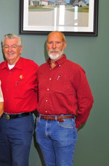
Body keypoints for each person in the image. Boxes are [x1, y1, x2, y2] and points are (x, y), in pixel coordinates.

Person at [36, 31, 94, 166]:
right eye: (50, 42)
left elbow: (87, 100)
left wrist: (75, 123)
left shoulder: (75, 70)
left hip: (64, 126)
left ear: (64, 45)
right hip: (42, 125)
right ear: (47, 46)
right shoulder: (41, 70)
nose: (54, 46)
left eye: (58, 42)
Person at [0, 34, 38, 166]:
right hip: (1, 122)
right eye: (6, 46)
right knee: (2, 161)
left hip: (22, 123)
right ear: (3, 49)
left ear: (20, 49)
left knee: (20, 162)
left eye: (14, 46)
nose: (10, 50)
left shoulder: (32, 68)